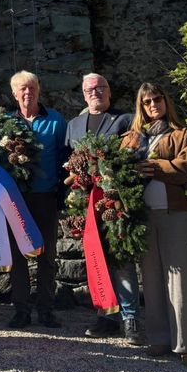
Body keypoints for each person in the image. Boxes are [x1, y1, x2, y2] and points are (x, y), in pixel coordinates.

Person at [122, 83, 187, 367]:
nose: (153, 105)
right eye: (147, 102)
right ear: (140, 107)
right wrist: (131, 169)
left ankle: (186, 345)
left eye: (157, 99)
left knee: (179, 279)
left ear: (166, 101)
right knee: (151, 277)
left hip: (174, 212)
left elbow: (185, 168)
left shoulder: (182, 135)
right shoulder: (131, 138)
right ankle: (159, 340)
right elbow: (117, 170)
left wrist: (153, 166)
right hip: (142, 215)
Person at [65, 73, 142, 344]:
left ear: (109, 92)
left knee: (120, 259)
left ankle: (130, 318)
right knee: (97, 257)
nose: (95, 92)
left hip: (114, 199)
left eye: (100, 87)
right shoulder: (73, 125)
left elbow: (133, 154)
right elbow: (69, 161)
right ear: (84, 94)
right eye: (89, 89)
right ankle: (107, 315)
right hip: (86, 203)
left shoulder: (124, 120)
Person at [8, 71, 67, 329]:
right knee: (18, 256)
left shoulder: (55, 121)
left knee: (47, 256)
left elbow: (66, 160)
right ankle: (21, 310)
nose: (27, 92)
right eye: (22, 88)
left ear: (39, 90)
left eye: (32, 87)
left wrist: (62, 197)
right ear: (14, 93)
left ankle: (46, 309)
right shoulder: (7, 123)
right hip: (17, 200)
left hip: (46, 197)